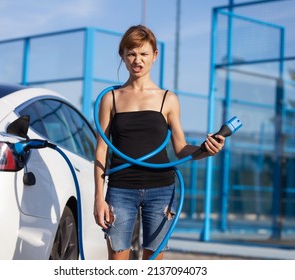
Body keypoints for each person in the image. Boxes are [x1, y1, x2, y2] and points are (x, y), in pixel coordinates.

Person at [93, 25, 225, 260]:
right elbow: (102, 150)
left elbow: (181, 148)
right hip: (121, 189)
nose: (137, 60)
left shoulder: (168, 99)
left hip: (160, 189)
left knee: (154, 264)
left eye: (144, 54)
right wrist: (98, 198)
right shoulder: (110, 98)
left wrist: (208, 150)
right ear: (122, 55)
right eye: (131, 53)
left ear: (154, 55)